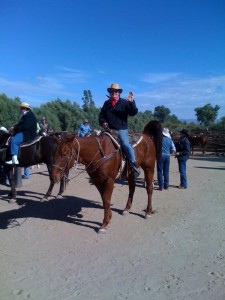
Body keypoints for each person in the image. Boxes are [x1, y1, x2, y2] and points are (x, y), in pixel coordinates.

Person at [99, 83, 140, 177]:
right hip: (108, 129)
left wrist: (131, 102)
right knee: (99, 141)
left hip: (121, 129)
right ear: (109, 93)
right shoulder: (106, 103)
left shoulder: (124, 102)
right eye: (112, 91)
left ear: (119, 93)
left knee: (125, 144)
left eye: (116, 92)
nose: (114, 93)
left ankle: (134, 164)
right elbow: (101, 116)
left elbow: (133, 112)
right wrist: (103, 122)